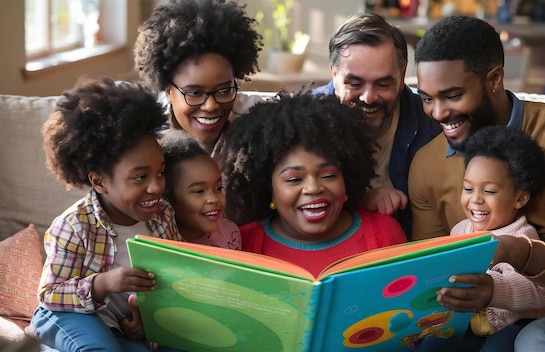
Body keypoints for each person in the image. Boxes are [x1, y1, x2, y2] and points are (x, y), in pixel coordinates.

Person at [409, 15, 545, 350]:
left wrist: (513, 251)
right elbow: (430, 265)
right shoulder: (427, 163)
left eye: (452, 95)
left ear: (494, 78)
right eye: (426, 98)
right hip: (496, 312)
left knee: (537, 341)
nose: (438, 113)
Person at [30, 77, 183, 351]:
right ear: (99, 181)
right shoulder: (73, 226)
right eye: (140, 177)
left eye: (160, 172)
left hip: (119, 322)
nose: (156, 186)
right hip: (68, 312)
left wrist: (144, 318)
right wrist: (102, 283)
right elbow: (50, 295)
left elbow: (172, 277)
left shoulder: (164, 215)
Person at [222, 93, 407, 277]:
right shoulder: (241, 244)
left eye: (328, 175)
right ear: (270, 189)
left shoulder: (383, 234)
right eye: (294, 179)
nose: (313, 188)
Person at [427, 126, 545, 352]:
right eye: (468, 188)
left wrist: (494, 289)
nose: (475, 200)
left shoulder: (523, 237)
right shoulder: (459, 231)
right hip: (469, 327)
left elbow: (542, 291)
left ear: (520, 198)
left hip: (514, 325)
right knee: (430, 346)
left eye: (488, 191)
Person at [311, 13, 441, 238]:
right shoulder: (302, 122)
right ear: (333, 73)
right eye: (355, 83)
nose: (368, 97)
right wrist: (358, 197)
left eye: (383, 83)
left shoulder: (433, 122)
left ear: (402, 76)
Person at [134, 0, 263, 163]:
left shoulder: (256, 119)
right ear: (168, 91)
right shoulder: (147, 133)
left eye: (224, 91)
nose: (211, 106)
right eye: (194, 93)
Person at [159, 129, 241, 250]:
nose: (213, 199)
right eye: (199, 191)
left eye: (218, 188)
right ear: (168, 198)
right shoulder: (160, 241)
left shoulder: (230, 234)